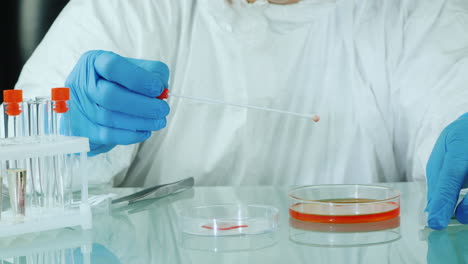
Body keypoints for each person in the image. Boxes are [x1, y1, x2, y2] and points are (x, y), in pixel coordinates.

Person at [13, 0, 468, 230]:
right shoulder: (124, 8)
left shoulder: (418, 13)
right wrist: (65, 134)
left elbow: (451, 129)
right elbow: (15, 163)